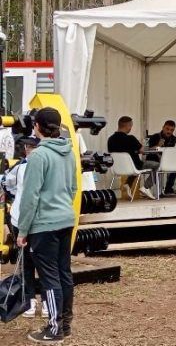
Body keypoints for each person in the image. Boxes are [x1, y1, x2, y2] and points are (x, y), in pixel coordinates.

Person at [16, 107, 77, 342]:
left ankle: (54, 329)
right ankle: (65, 323)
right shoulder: (68, 152)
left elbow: (30, 197)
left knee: (49, 278)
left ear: (37, 127)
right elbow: (73, 188)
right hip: (65, 220)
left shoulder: (39, 156)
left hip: (44, 225)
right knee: (64, 273)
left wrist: (23, 230)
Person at [2, 136, 45, 319]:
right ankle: (34, 301)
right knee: (32, 262)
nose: (29, 149)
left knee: (35, 262)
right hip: (28, 219)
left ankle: (37, 301)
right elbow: (7, 183)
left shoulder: (30, 166)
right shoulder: (21, 166)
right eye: (28, 146)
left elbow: (7, 184)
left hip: (33, 219)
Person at [107, 116, 156, 199]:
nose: (131, 128)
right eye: (131, 126)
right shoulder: (131, 138)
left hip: (117, 168)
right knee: (158, 165)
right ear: (128, 126)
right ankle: (146, 187)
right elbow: (142, 151)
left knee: (133, 167)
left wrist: (134, 151)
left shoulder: (110, 139)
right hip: (135, 166)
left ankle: (127, 184)